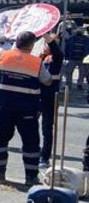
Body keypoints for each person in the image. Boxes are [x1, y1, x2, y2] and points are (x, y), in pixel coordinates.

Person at [0, 31, 52, 186]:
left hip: (3, 106)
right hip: (27, 109)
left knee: (0, 139)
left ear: (16, 42)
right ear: (31, 45)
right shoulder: (36, 62)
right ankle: (31, 177)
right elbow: (48, 81)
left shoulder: (2, 56)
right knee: (30, 143)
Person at [37, 33, 64, 168]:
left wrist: (45, 33)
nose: (47, 45)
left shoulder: (57, 56)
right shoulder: (39, 58)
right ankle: (34, 151)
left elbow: (54, 47)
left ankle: (44, 156)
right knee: (30, 125)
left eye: (50, 43)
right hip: (36, 95)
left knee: (47, 128)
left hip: (50, 96)